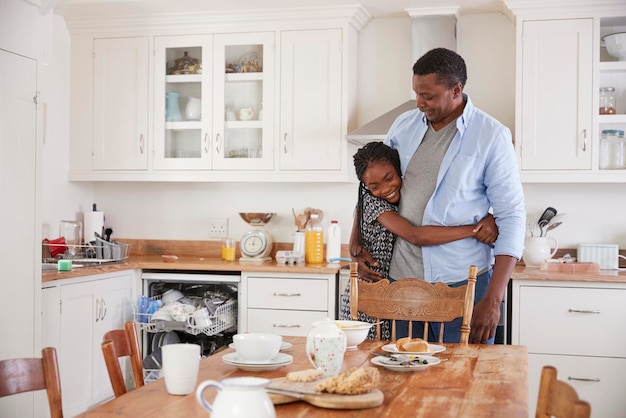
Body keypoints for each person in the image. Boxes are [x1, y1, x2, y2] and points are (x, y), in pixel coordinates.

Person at [351, 48, 526, 344]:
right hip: (402, 283)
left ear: (456, 89)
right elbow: (371, 191)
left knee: (462, 382)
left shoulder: (491, 136)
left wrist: (493, 300)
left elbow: (512, 216)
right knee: (402, 379)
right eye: (416, 94)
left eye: (428, 96)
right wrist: (355, 242)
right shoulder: (403, 126)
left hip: (461, 283)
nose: (419, 103)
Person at [340, 141, 498, 340]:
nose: (385, 188)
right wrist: (474, 230)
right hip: (371, 298)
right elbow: (415, 235)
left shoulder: (403, 197)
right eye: (374, 186)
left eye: (389, 178)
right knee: (376, 360)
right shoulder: (374, 202)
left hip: (388, 292)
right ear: (366, 187)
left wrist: (490, 217)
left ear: (400, 171)